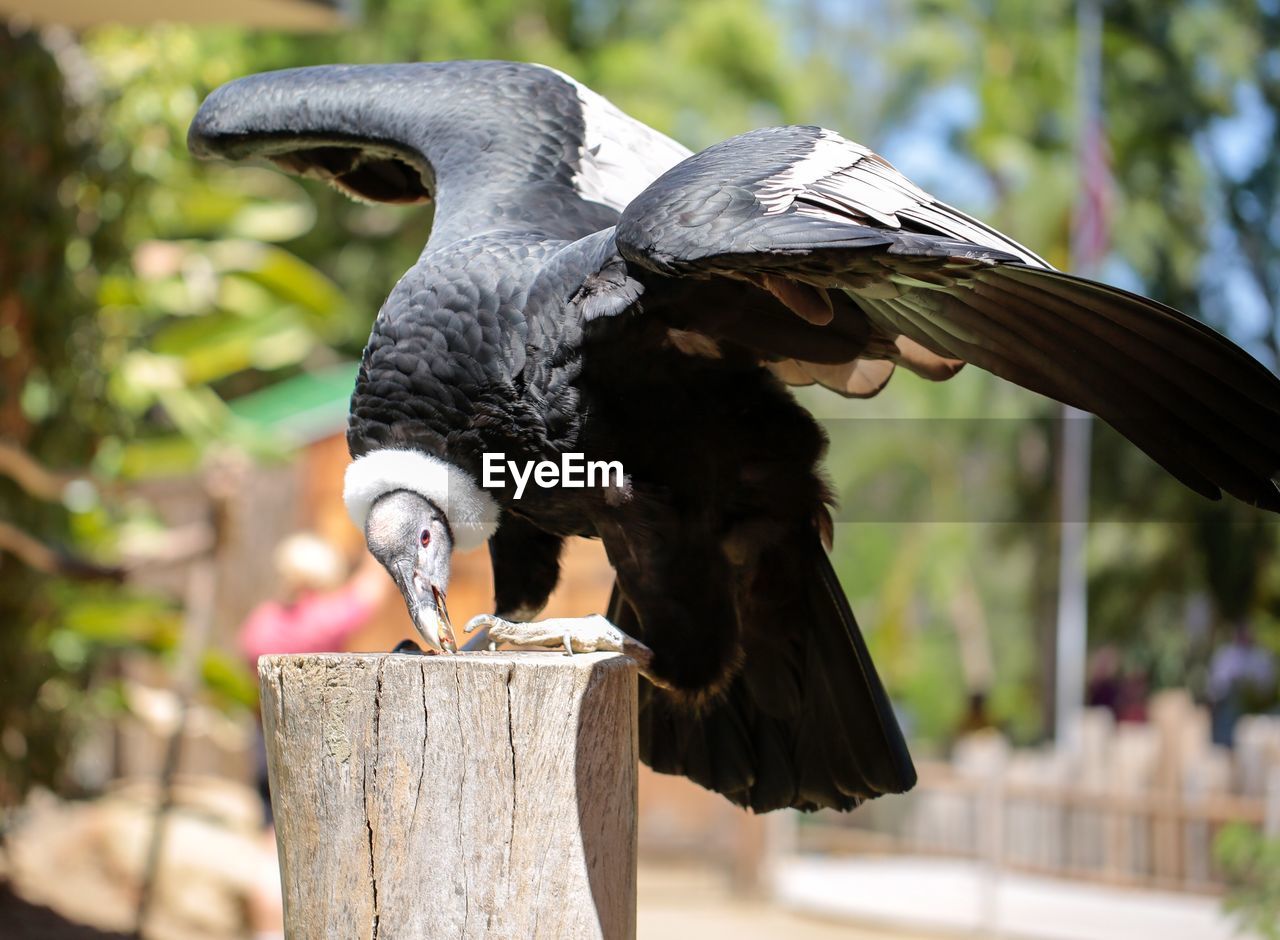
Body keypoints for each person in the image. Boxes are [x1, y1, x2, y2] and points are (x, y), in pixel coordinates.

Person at [237, 533, 389, 939]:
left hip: (264, 740)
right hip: (316, 748)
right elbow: (370, 590)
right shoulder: (323, 619)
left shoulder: (263, 621)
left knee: (271, 839)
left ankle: (266, 932)